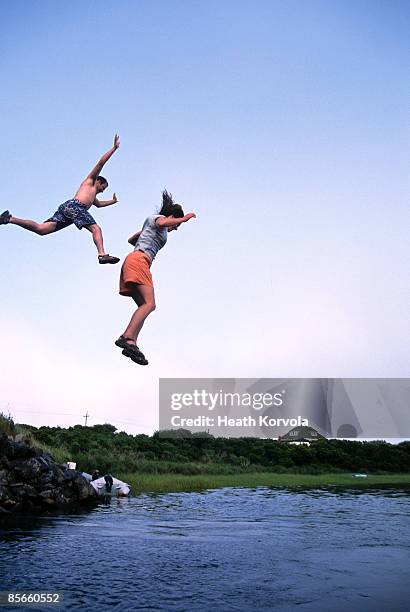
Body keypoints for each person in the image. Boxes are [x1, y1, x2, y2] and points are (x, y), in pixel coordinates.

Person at [0, 135, 121, 264]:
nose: (103, 190)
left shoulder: (92, 197)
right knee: (96, 229)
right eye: (103, 187)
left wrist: (112, 201)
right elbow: (100, 163)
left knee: (41, 230)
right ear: (98, 181)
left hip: (68, 209)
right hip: (75, 207)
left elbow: (99, 205)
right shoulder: (90, 181)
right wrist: (113, 149)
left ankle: (9, 219)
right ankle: (102, 254)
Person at [116, 190, 196, 365]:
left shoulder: (152, 224)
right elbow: (163, 222)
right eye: (176, 225)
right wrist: (184, 218)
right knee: (150, 304)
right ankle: (127, 336)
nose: (175, 228)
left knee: (144, 306)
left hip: (134, 259)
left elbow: (132, 239)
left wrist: (145, 234)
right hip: (139, 261)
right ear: (172, 216)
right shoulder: (158, 219)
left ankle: (131, 342)